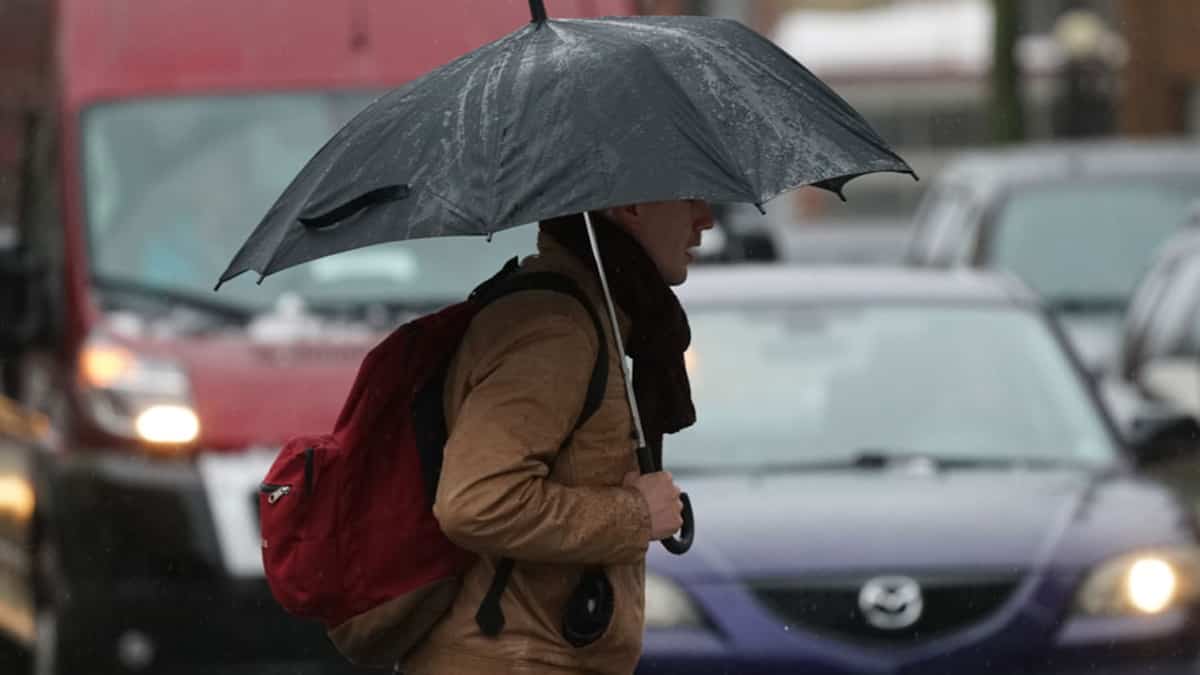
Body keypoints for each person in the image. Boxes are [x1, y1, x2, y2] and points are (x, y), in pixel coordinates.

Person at [403, 199, 715, 675]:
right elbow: (476, 502)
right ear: (631, 205)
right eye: (690, 197)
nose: (706, 219)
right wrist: (634, 515)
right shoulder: (555, 327)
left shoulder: (597, 313)